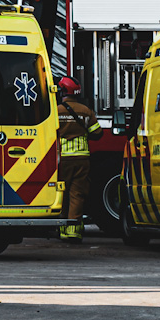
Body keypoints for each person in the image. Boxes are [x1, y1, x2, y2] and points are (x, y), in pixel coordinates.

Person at [56, 77, 101, 242]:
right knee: (77, 194)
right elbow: (97, 133)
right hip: (82, 159)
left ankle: (61, 228)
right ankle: (73, 230)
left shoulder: (56, 110)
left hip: (62, 160)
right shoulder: (85, 111)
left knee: (62, 193)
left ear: (62, 92)